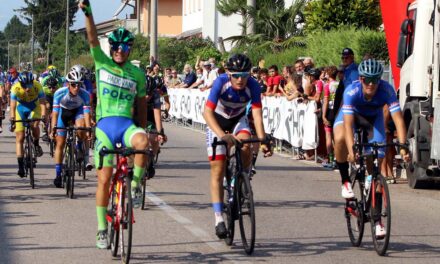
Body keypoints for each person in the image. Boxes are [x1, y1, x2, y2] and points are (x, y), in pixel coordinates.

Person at [80, 0, 149, 249]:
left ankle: (136, 184)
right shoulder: (102, 62)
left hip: (126, 125)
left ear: (130, 49)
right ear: (112, 48)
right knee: (104, 179)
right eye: (116, 46)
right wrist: (88, 14)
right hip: (105, 127)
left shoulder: (137, 74)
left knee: (144, 141)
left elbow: (141, 106)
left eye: (125, 47)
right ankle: (101, 228)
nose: (120, 50)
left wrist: (143, 128)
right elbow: (92, 38)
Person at [332, 59, 410, 237]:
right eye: (367, 80)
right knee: (341, 138)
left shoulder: (386, 89)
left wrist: (403, 146)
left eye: (375, 80)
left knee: (375, 168)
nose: (371, 84)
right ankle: (345, 181)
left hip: (373, 121)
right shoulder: (352, 91)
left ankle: (377, 220)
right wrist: (352, 152)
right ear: (360, 79)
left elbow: (398, 119)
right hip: (350, 117)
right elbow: (348, 123)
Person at [203, 54, 272, 238]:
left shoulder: (253, 85)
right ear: (228, 73)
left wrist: (263, 139)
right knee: (217, 170)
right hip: (217, 123)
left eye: (244, 74)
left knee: (247, 145)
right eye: (236, 75)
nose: (240, 79)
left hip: (237, 120)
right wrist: (222, 135)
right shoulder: (220, 82)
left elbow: (257, 115)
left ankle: (241, 177)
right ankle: (218, 218)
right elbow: (207, 112)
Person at [51, 68, 92, 188]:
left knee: (81, 127)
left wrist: (88, 128)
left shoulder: (84, 94)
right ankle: (58, 175)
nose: (76, 88)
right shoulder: (59, 93)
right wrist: (53, 128)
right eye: (73, 85)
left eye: (78, 85)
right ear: (68, 84)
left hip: (77, 112)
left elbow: (87, 114)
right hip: (63, 113)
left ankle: (79, 146)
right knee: (60, 143)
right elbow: (55, 113)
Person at [9, 71, 46, 177]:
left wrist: (43, 116)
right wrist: (12, 119)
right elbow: (12, 106)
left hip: (34, 106)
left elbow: (42, 103)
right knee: (20, 137)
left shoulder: (38, 86)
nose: (27, 88)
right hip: (20, 108)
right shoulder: (15, 88)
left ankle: (36, 143)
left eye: (29, 85)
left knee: (34, 126)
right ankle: (20, 166)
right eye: (24, 86)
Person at [322, 66, 339, 168]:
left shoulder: (327, 86)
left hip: (330, 112)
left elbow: (325, 101)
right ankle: (338, 159)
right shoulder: (340, 84)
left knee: (328, 136)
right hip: (338, 112)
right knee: (337, 138)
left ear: (328, 74)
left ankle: (331, 159)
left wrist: (323, 116)